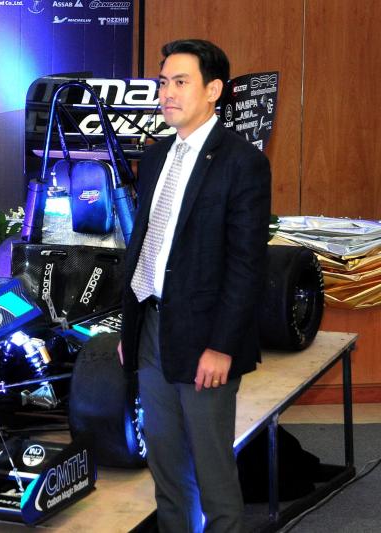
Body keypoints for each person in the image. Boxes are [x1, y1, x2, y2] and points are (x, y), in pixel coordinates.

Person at [118, 40, 271, 531]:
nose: (167, 93)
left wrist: (222, 346)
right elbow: (145, 246)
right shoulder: (156, 156)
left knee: (212, 474)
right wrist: (129, 330)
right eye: (163, 82)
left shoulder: (242, 162)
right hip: (151, 330)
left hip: (206, 339)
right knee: (166, 468)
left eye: (180, 82)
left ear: (213, 90)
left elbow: (246, 265)